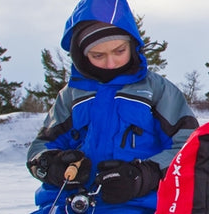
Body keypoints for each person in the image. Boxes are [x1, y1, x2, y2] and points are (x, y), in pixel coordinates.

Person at [25, 0, 199, 213]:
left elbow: (189, 148)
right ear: (82, 55)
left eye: (119, 51)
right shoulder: (70, 95)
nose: (111, 63)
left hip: (139, 205)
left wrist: (143, 175)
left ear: (132, 45)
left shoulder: (157, 91)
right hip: (67, 205)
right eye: (98, 55)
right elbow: (40, 147)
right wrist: (51, 165)